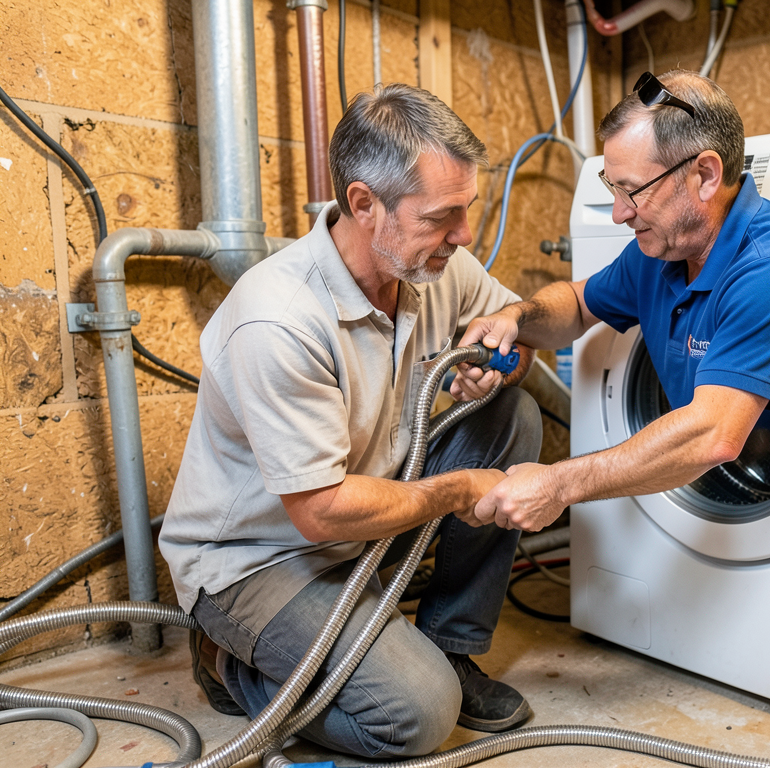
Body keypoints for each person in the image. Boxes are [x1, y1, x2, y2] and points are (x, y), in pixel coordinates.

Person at [158, 83, 543, 759]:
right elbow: (321, 511)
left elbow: (516, 333)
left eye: (468, 210)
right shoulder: (277, 317)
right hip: (262, 560)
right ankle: (229, 659)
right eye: (442, 217)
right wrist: (458, 491)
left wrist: (502, 357)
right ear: (365, 205)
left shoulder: (432, 263)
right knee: (417, 715)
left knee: (511, 418)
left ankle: (451, 645)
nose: (464, 235)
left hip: (365, 521)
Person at [455, 70, 770, 533]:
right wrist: (516, 318)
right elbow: (577, 305)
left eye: (632, 190)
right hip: (701, 485)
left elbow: (713, 434)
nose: (619, 213)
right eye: (611, 188)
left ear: (706, 175)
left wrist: (558, 484)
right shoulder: (659, 251)